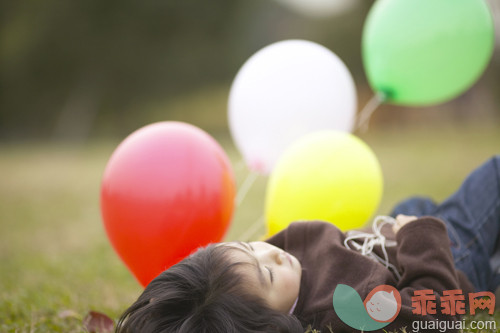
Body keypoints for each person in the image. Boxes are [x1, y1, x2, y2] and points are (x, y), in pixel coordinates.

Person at [115, 156, 500, 333]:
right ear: (268, 324)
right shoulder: (348, 313)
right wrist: (420, 238)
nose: (272, 252)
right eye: (266, 273)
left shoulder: (247, 274)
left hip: (387, 241)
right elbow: (433, 312)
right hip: (451, 261)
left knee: (413, 206)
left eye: (248, 246)